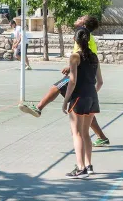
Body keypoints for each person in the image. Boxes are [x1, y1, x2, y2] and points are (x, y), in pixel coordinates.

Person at [19, 15, 110, 147]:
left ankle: (38, 108)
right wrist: (71, 66)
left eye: (81, 17)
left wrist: (75, 67)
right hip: (83, 74)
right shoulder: (83, 36)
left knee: (56, 87)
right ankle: (102, 137)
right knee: (85, 112)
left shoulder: (87, 38)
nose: (78, 18)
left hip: (81, 76)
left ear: (84, 24)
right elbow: (85, 57)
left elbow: (88, 57)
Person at [62, 27, 103, 178]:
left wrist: (65, 101)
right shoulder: (94, 57)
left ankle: (80, 167)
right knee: (85, 133)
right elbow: (100, 82)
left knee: (77, 133)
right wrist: (91, 94)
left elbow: (72, 82)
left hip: (79, 98)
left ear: (75, 40)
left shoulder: (75, 57)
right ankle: (89, 165)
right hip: (92, 97)